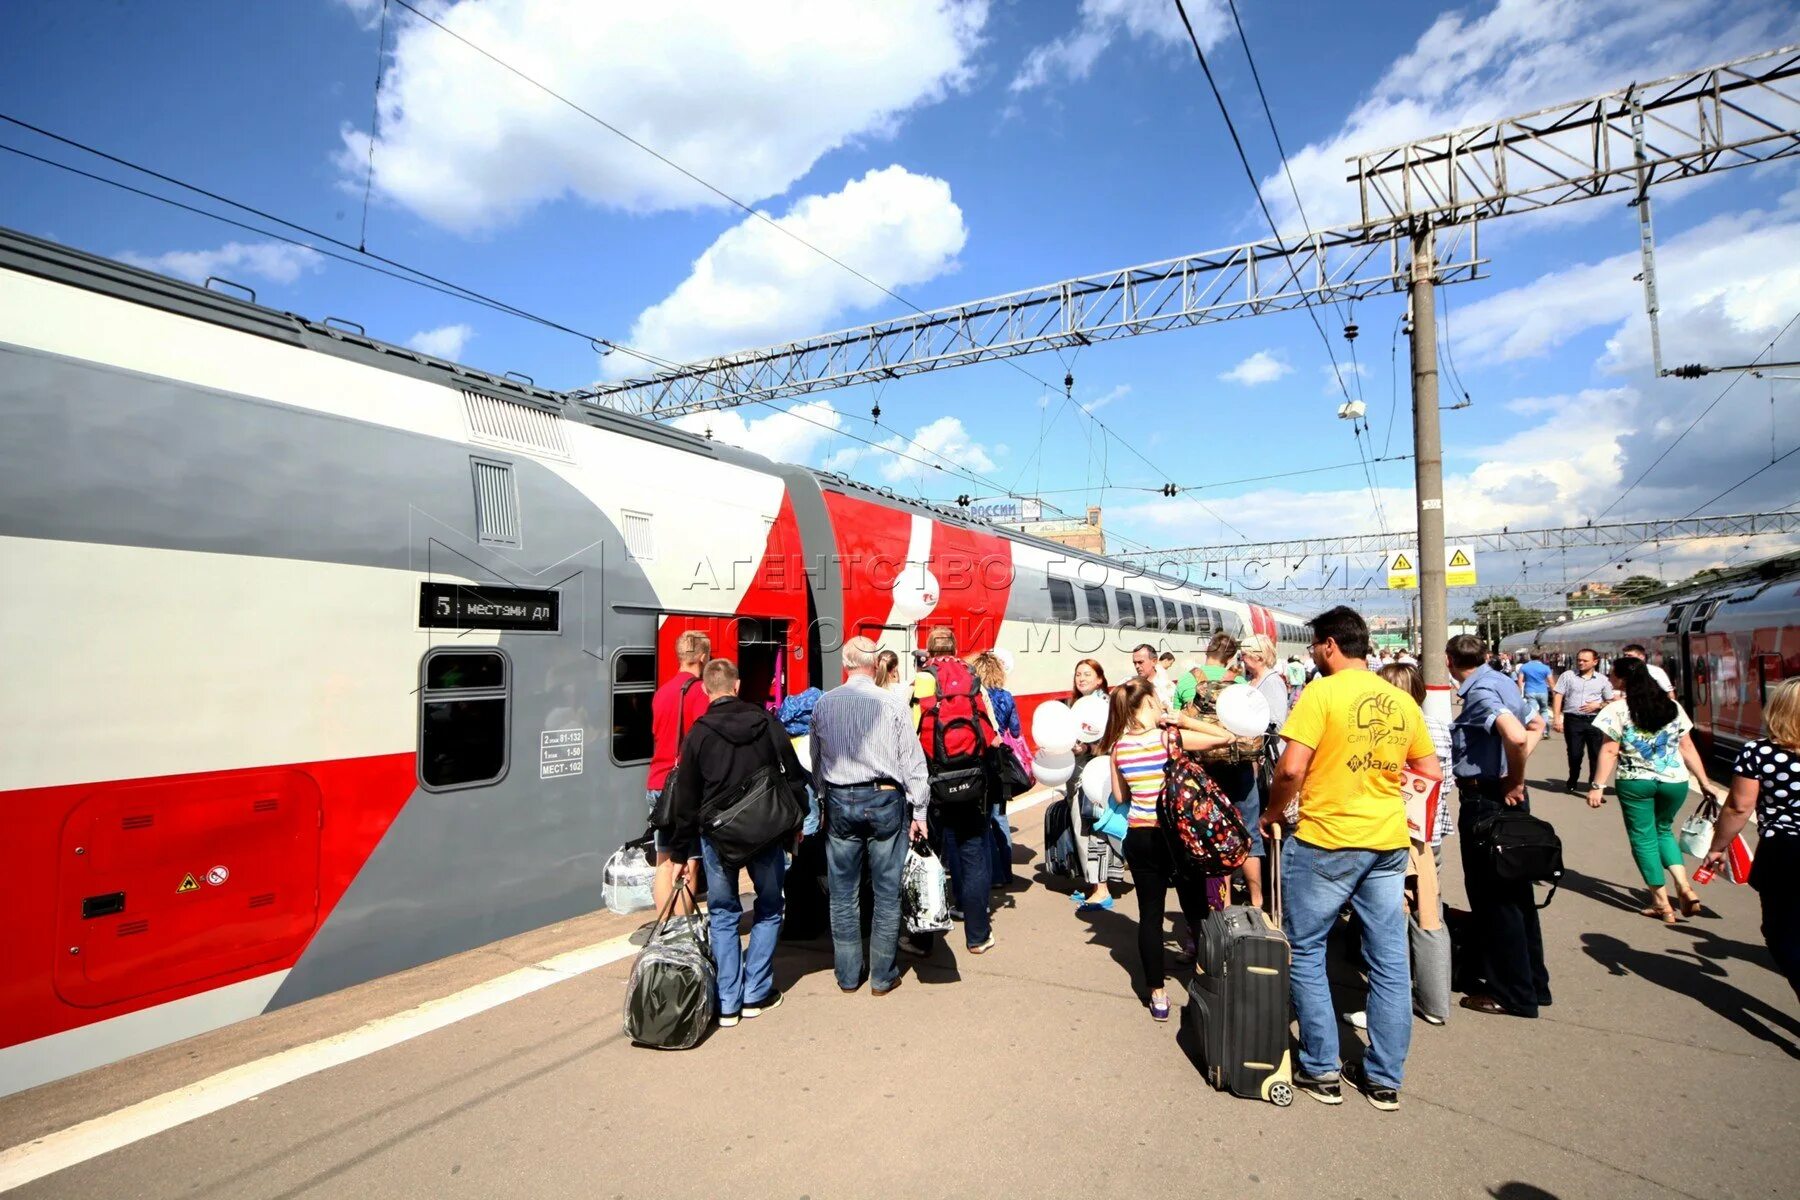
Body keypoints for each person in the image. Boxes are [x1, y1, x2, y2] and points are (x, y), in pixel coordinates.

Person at [1265, 606, 1439, 1111]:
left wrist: (1273, 813)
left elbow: (1291, 769)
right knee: (1387, 960)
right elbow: (1427, 771)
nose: (1315, 653)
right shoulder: (1399, 699)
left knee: (1308, 948)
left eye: (1317, 646)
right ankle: (1384, 1078)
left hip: (1327, 839)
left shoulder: (1320, 692)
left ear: (1329, 646)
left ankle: (1320, 1069)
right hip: (1386, 844)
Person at [666, 658, 806, 1027]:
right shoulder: (766, 723)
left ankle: (727, 1002)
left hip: (718, 839)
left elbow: (686, 799)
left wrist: (681, 852)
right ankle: (756, 992)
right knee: (771, 907)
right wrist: (797, 820)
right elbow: (793, 775)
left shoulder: (698, 734)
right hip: (766, 833)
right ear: (737, 685)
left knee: (724, 915)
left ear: (706, 691)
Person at [809, 636, 930, 996]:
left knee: (842, 893)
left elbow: (817, 761)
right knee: (886, 892)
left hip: (840, 801)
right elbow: (912, 761)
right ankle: (882, 976)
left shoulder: (824, 704)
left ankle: (847, 975)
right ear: (876, 665)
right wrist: (920, 809)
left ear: (845, 664)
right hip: (884, 800)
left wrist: (821, 800)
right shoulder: (892, 703)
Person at [1101, 677, 1225, 1021]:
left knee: (1150, 916)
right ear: (1151, 702)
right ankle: (1207, 975)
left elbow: (1121, 797)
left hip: (1140, 837)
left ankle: (1157, 994)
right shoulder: (1170, 737)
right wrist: (1186, 720)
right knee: (1196, 909)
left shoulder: (1118, 747)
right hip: (1178, 836)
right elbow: (1225, 737)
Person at [1446, 634, 1550, 1021]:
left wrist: (1514, 779)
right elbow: (1535, 726)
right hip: (1505, 800)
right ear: (1486, 655)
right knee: (1517, 896)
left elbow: (1517, 734)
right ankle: (1534, 984)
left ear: (1448, 660)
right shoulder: (1506, 681)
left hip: (1487, 801)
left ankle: (1512, 994)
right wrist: (1516, 774)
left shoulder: (1481, 691)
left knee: (1494, 900)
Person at [1588, 657, 1724, 923]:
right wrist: (1705, 781)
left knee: (1643, 837)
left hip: (1636, 781)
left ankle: (1662, 903)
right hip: (1675, 781)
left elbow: (1609, 749)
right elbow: (1687, 748)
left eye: (1612, 675)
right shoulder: (1672, 706)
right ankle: (1684, 886)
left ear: (1621, 679)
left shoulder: (1617, 709)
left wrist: (1597, 786)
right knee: (1663, 831)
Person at [1704, 678, 1800, 1002]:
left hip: (1786, 851)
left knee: (1781, 934)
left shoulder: (1759, 752)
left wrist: (1717, 848)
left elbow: (1739, 806)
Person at [911, 626, 1000, 955]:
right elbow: (989, 727)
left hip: (933, 782)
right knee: (973, 857)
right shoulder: (969, 673)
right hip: (972, 780)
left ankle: (923, 941)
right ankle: (978, 936)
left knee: (928, 859)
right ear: (955, 646)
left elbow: (912, 727)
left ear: (929, 650)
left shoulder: (924, 677)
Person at [1378, 661, 1454, 1026]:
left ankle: (1387, 1004)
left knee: (1390, 917)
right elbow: (1446, 782)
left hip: (1398, 834)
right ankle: (1436, 1002)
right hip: (1431, 833)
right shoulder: (1439, 726)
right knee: (1430, 913)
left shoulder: (1390, 729)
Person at [648, 630, 714, 915]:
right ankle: (682, 937)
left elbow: (656, 734)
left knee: (664, 860)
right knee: (690, 862)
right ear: (701, 657)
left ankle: (664, 929)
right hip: (685, 789)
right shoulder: (700, 692)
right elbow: (704, 742)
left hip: (657, 784)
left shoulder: (662, 692)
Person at [1065, 658, 1120, 911]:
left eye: (1087, 674)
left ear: (1100, 679)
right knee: (1084, 828)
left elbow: (1112, 740)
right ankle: (1094, 884)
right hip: (1078, 773)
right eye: (1078, 674)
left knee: (1092, 828)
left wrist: (1086, 747)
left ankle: (1102, 890)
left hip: (1095, 776)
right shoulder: (1075, 704)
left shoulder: (1105, 705)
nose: (1081, 678)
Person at [971, 650, 1021, 887]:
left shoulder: (976, 698)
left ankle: (994, 875)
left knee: (983, 819)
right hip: (1001, 762)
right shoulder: (1007, 696)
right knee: (1000, 817)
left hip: (982, 759)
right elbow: (1017, 730)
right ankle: (1007, 873)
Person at [1552, 648, 1614, 791]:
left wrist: (1598, 705)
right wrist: (1556, 718)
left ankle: (1594, 785)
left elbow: (1610, 701)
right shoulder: (1568, 676)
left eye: (1585, 661)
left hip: (1595, 721)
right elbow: (1558, 695)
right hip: (1573, 720)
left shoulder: (1602, 680)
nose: (1580, 663)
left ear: (1595, 662)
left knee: (1596, 754)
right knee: (1575, 753)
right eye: (1579, 660)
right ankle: (1573, 778)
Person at [1515, 652, 1554, 730]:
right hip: (1543, 691)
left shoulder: (1524, 667)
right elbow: (1551, 681)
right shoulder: (1545, 667)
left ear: (1530, 656)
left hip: (1530, 691)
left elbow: (1520, 680)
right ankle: (1545, 730)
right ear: (1540, 657)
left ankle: (1536, 729)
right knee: (1544, 710)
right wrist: (1554, 693)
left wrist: (1519, 691)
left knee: (1533, 711)